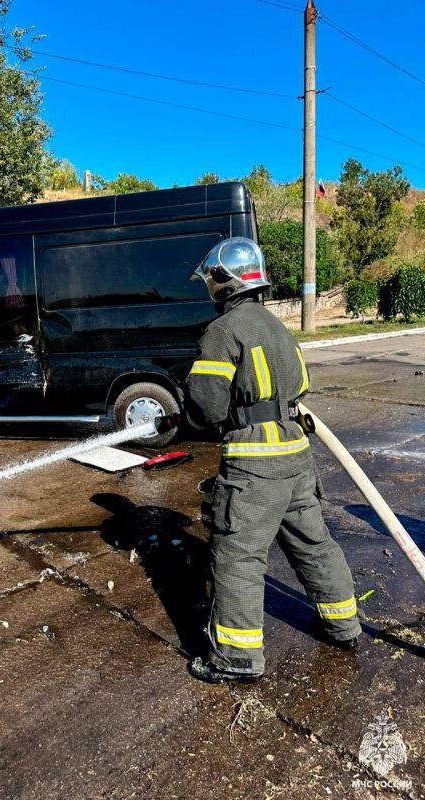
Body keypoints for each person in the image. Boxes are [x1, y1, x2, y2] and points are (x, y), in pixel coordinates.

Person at [183, 237, 361, 684]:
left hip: (254, 462)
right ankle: (344, 626)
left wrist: (184, 415)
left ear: (223, 281)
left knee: (238, 556)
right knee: (313, 543)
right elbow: (300, 384)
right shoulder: (279, 328)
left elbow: (205, 407)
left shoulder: (223, 331)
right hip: (295, 454)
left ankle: (237, 659)